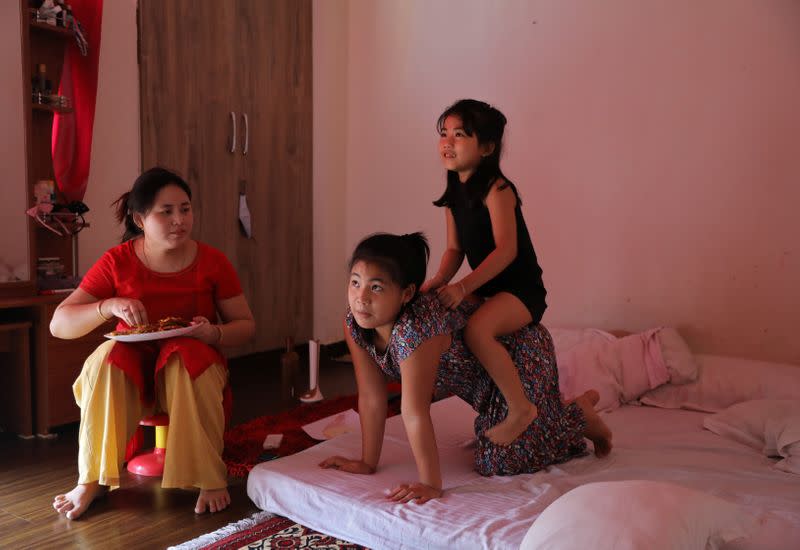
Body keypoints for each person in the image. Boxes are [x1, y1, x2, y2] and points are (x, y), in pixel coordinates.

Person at [320, 232, 611, 504]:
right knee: (499, 444)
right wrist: (367, 463)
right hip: (483, 386)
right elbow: (372, 397)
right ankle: (558, 414)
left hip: (520, 355)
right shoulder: (356, 321)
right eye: (355, 282)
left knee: (497, 461)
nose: (361, 297)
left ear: (406, 294)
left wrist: (430, 483)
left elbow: (415, 409)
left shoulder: (415, 328)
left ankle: (577, 416)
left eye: (376, 288)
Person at [50, 167, 256, 520]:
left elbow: (246, 326)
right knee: (107, 358)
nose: (179, 219)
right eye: (166, 211)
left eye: (185, 209)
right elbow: (59, 324)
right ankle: (93, 479)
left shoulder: (213, 261)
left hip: (192, 366)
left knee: (185, 354)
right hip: (133, 379)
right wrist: (106, 306)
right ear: (140, 218)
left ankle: (209, 475)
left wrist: (215, 334)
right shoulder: (117, 261)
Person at [419, 99, 549, 446]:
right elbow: (454, 249)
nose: (447, 142)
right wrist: (439, 281)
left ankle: (521, 409)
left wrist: (462, 289)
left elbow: (507, 250)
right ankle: (486, 406)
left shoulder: (497, 189)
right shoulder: (452, 194)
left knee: (477, 331)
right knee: (438, 318)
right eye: (443, 133)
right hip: (488, 289)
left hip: (521, 291)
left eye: (459, 134)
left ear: (487, 147)